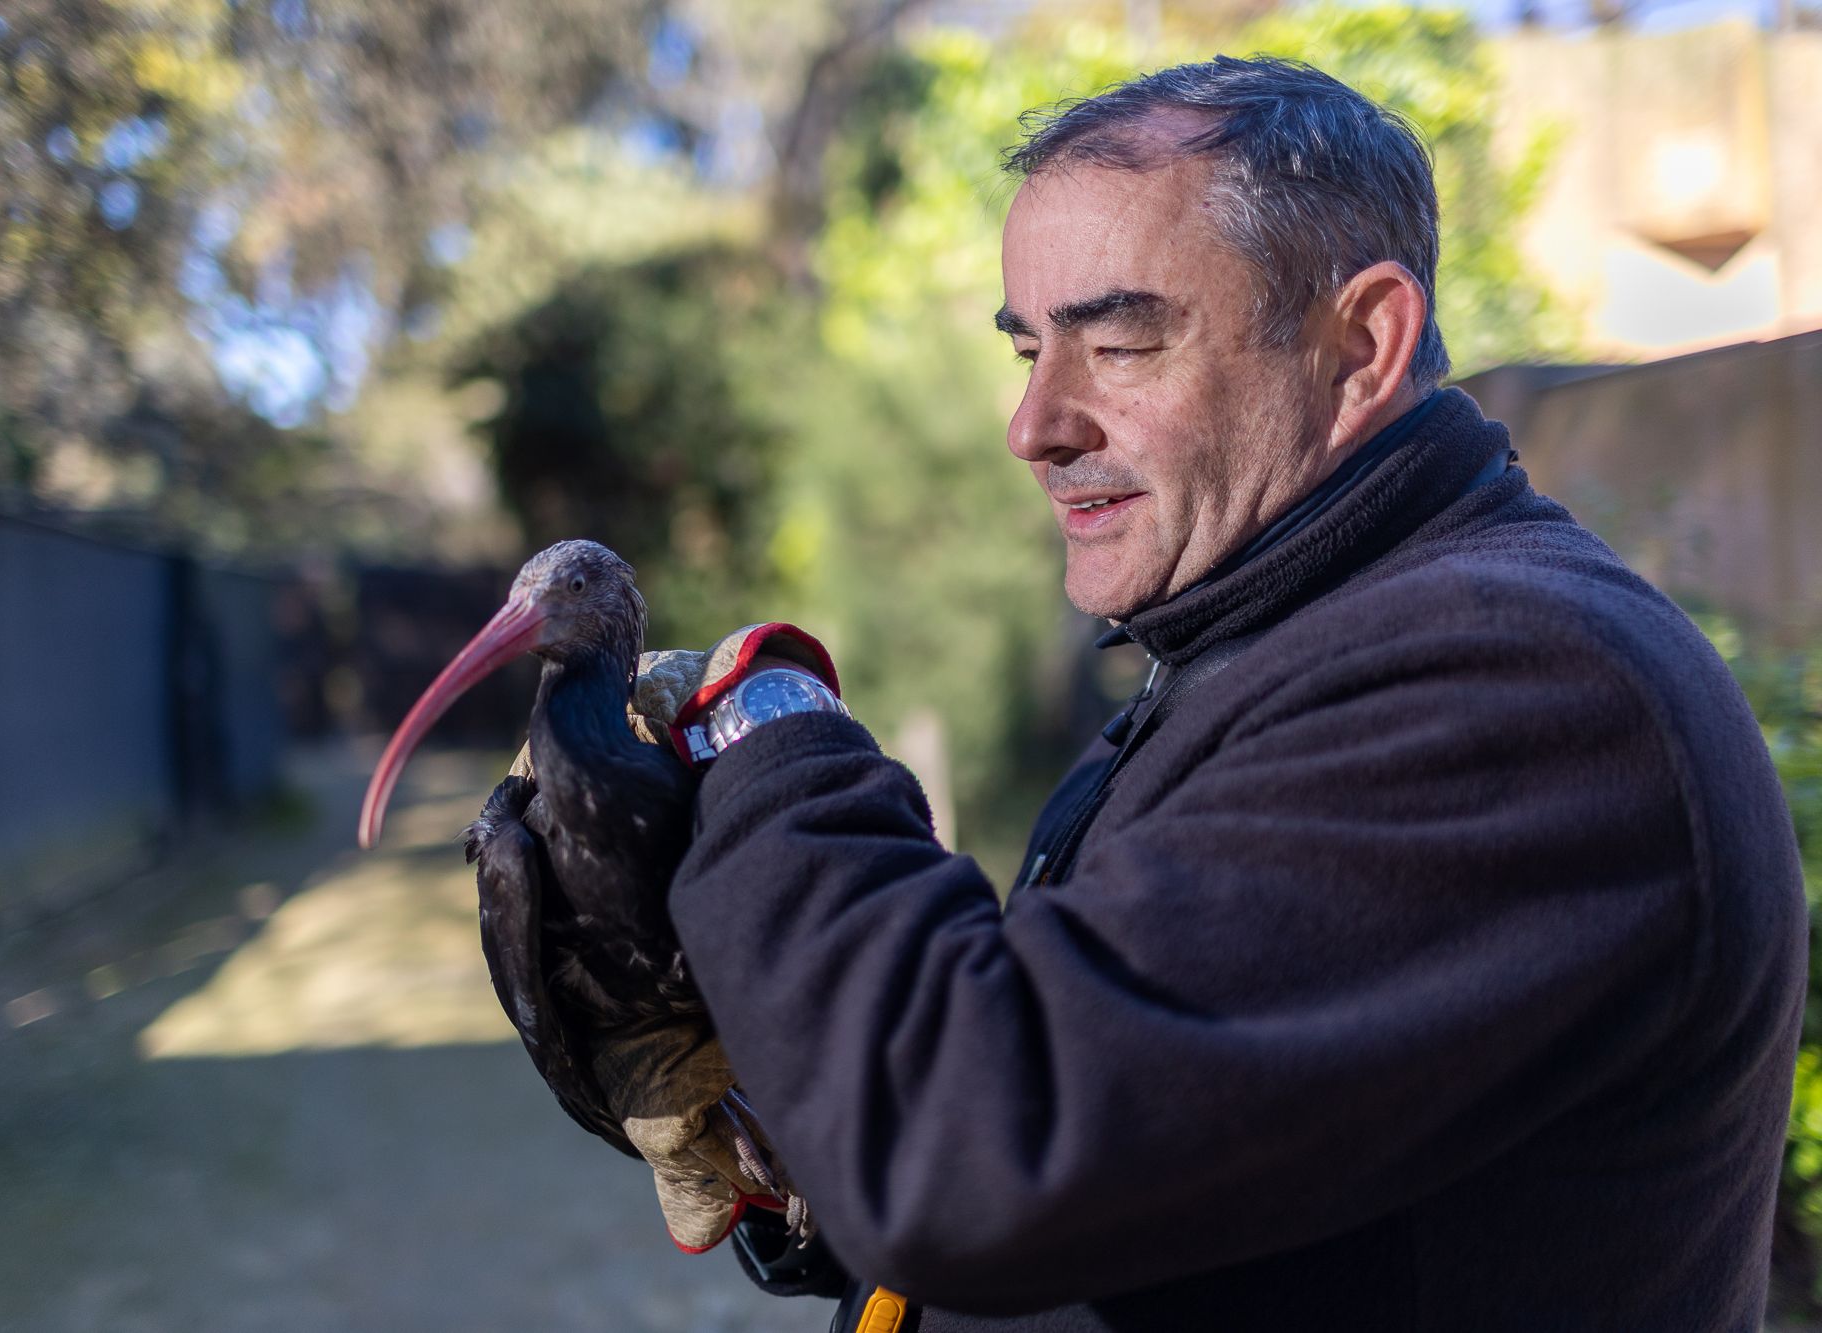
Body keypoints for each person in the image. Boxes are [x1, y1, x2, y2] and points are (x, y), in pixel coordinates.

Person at [627, 57, 1807, 1330]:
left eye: (1119, 342)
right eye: (1030, 350)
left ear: (1360, 346)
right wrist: (797, 1124)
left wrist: (769, 731)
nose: (1035, 424)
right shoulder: (1254, 646)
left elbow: (972, 1154)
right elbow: (1136, 1178)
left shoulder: (1525, 687)